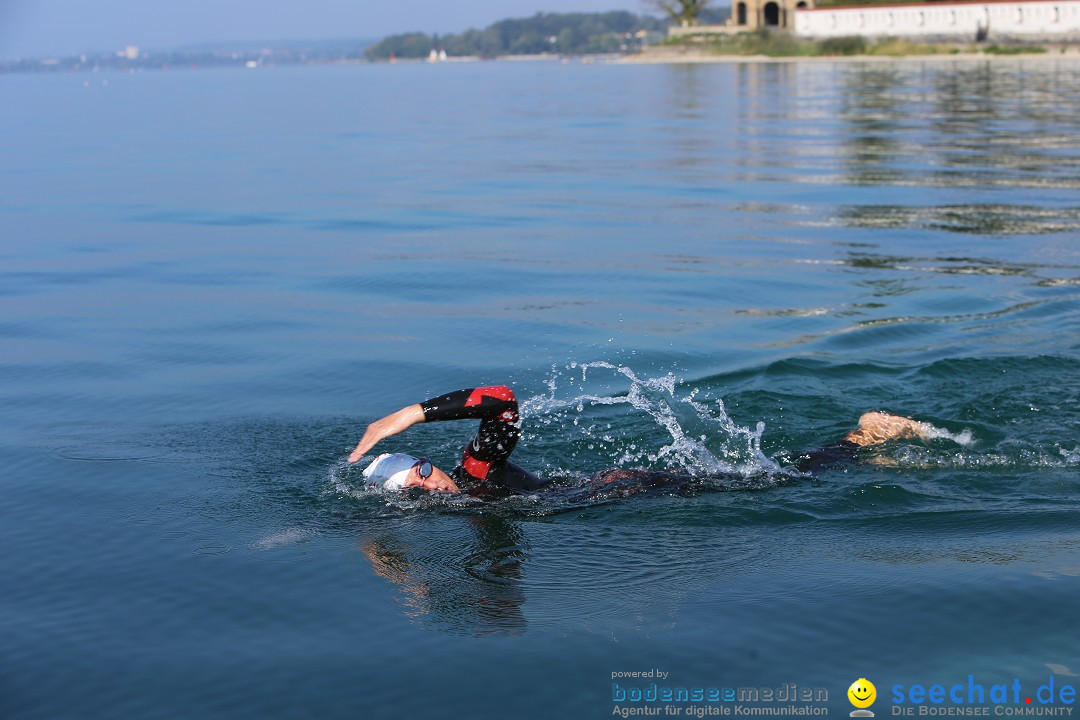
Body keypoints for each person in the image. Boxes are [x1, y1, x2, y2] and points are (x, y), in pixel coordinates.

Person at [348, 385, 931, 495]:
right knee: (771, 482)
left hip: (639, 486)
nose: (431, 476)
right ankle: (857, 442)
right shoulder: (459, 506)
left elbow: (502, 398)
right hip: (634, 495)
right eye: (416, 481)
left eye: (423, 465)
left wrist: (406, 417)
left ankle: (861, 439)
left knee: (781, 483)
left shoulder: (476, 475)